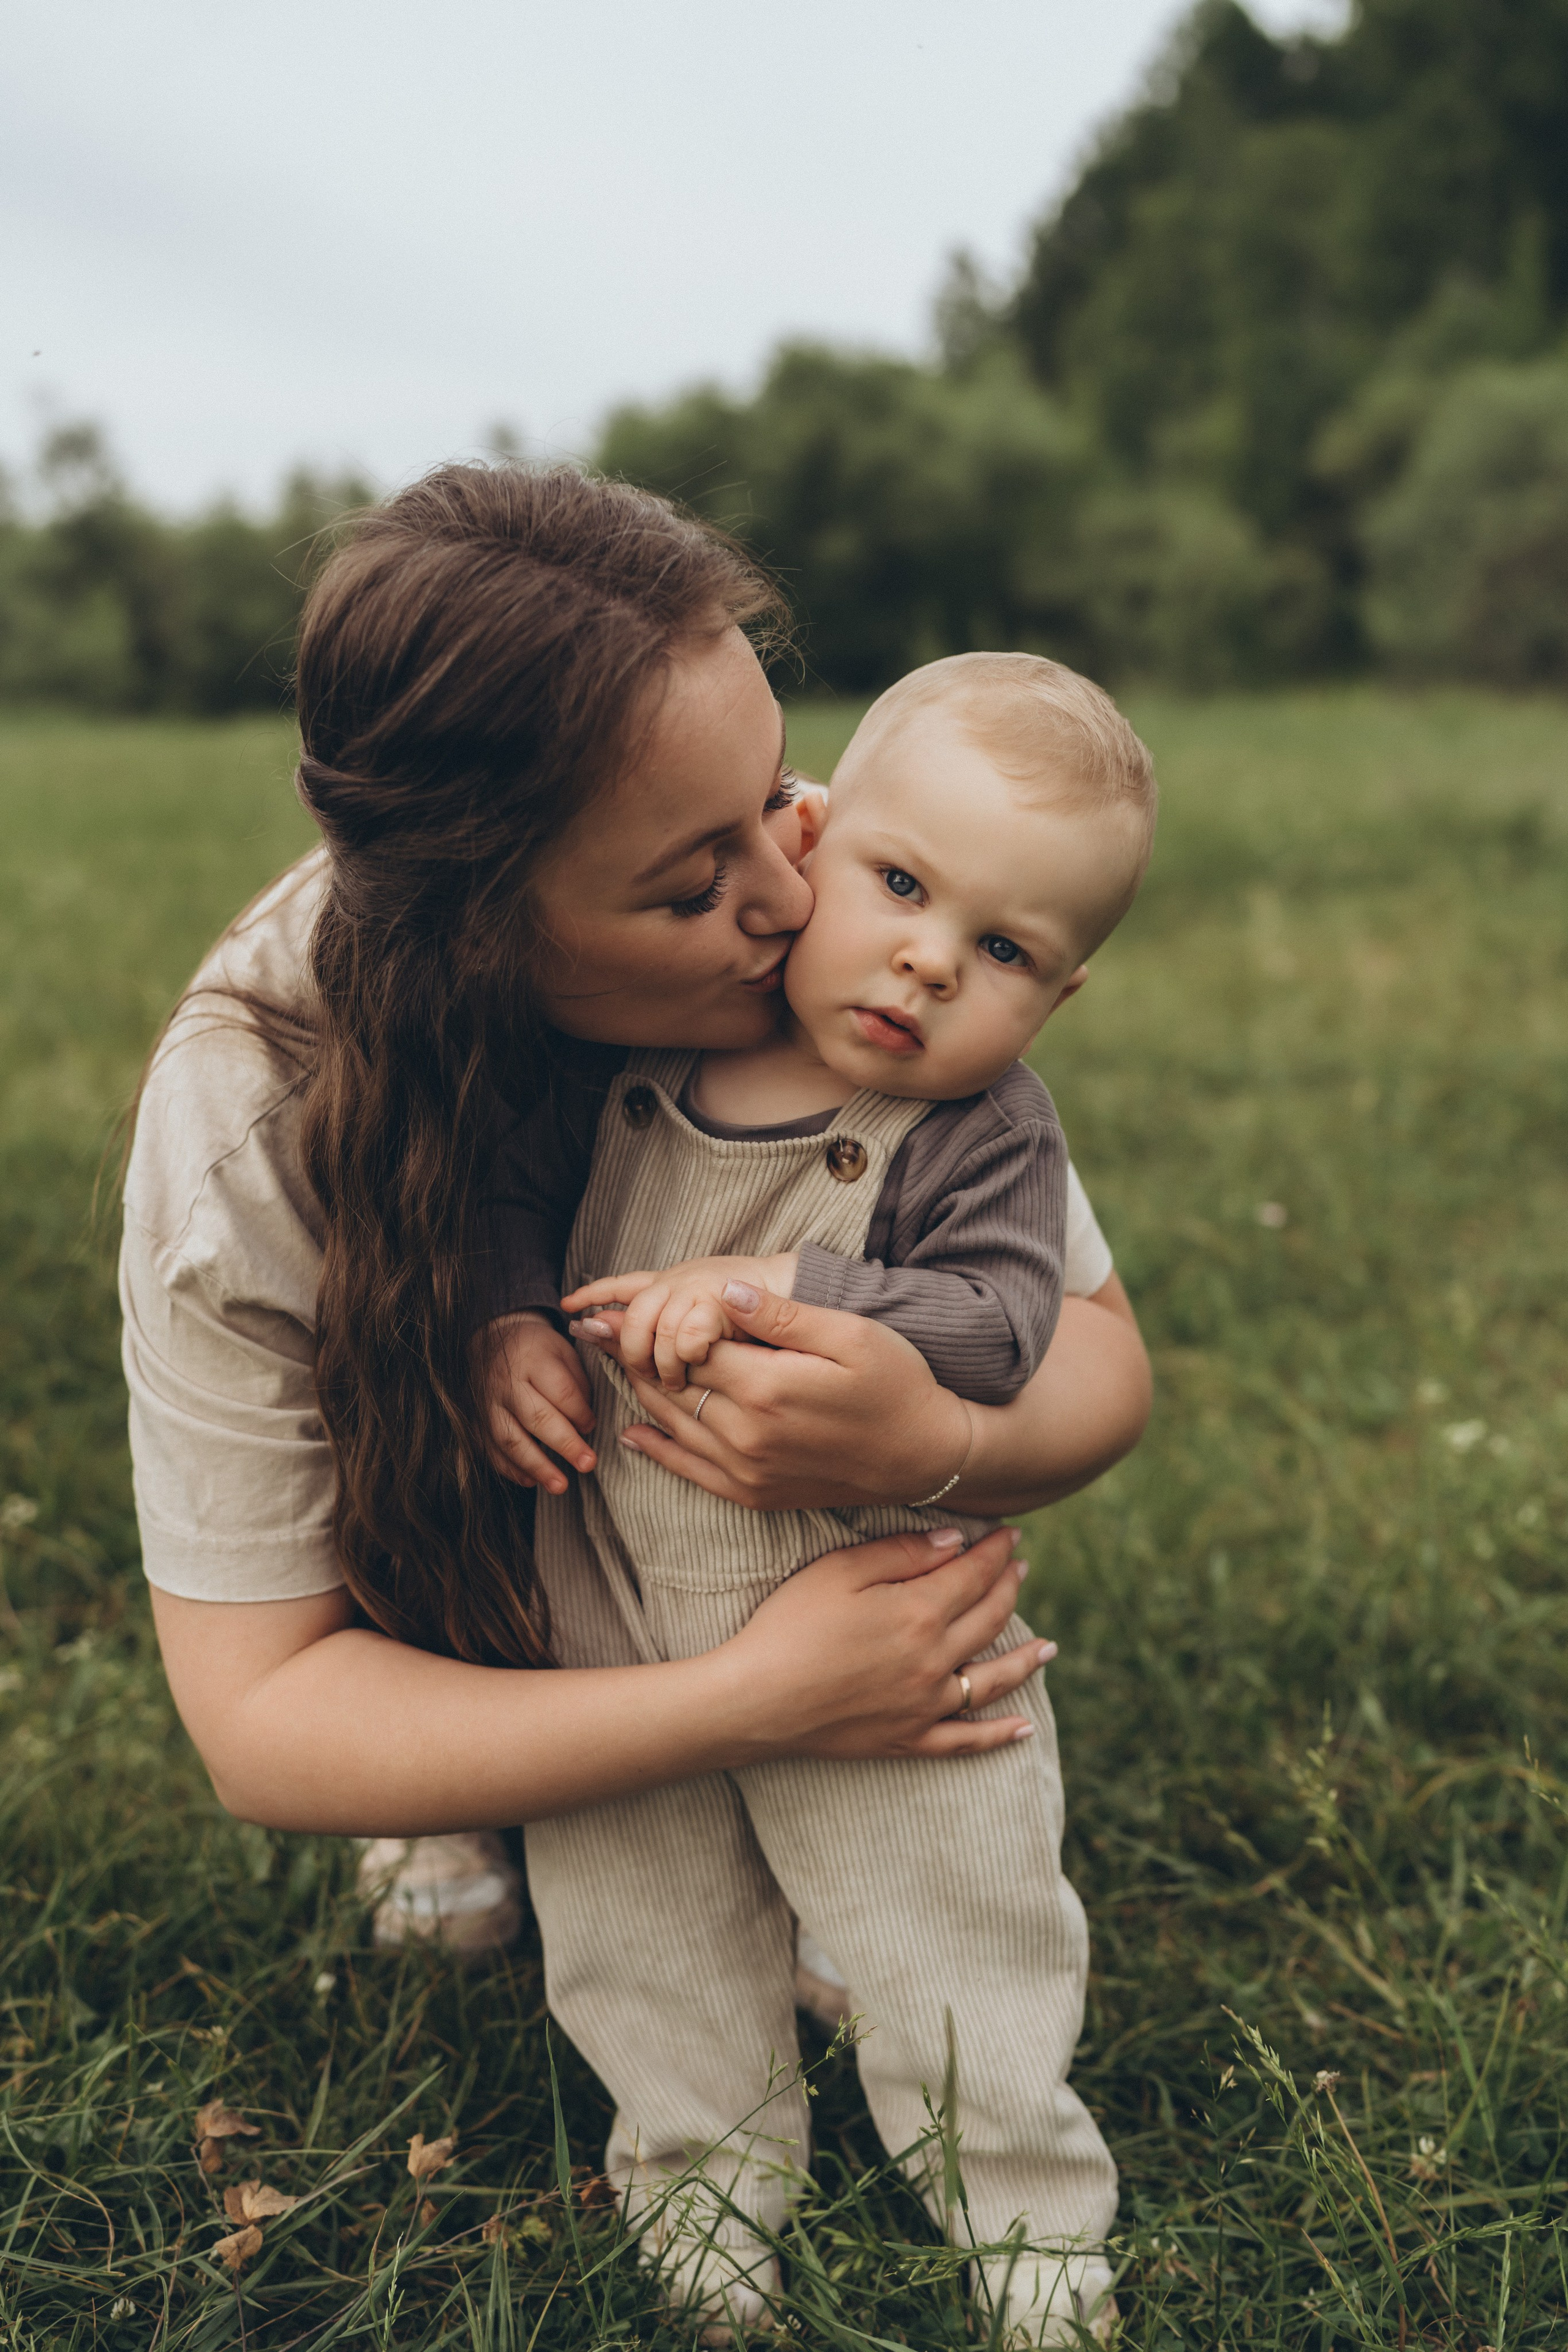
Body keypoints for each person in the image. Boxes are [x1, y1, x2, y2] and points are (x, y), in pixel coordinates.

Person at [119, 462, 1150, 2314]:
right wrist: (756, 1702)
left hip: (775, 1529)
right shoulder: (246, 1132)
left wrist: (940, 1436)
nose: (794, 892)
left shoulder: (854, 948)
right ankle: (496, 1777)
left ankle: (832, 1859)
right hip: (532, 1569)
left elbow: (1092, 1350)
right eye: (698, 882)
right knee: (618, 1833)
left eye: (778, 800)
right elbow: (259, 1721)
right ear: (486, 936)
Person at [478, 654, 1152, 2344]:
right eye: (903, 886)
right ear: (811, 845)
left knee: (956, 1936)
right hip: (611, 1588)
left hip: (869, 1610)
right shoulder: (641, 1045)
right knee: (643, 1927)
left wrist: (797, 1284)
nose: (931, 962)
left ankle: (1033, 2237)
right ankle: (703, 2217)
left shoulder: (982, 1130)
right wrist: (508, 1322)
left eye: (1006, 952)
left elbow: (1003, 1324)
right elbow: (514, 1192)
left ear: (1061, 997)